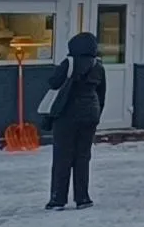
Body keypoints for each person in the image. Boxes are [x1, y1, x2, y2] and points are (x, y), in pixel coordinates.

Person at [45, 32, 106, 210]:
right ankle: (83, 198)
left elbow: (54, 83)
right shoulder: (98, 66)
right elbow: (101, 94)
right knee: (83, 156)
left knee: (62, 157)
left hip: (67, 115)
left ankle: (58, 199)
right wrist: (96, 114)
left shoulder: (69, 63)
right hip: (90, 115)